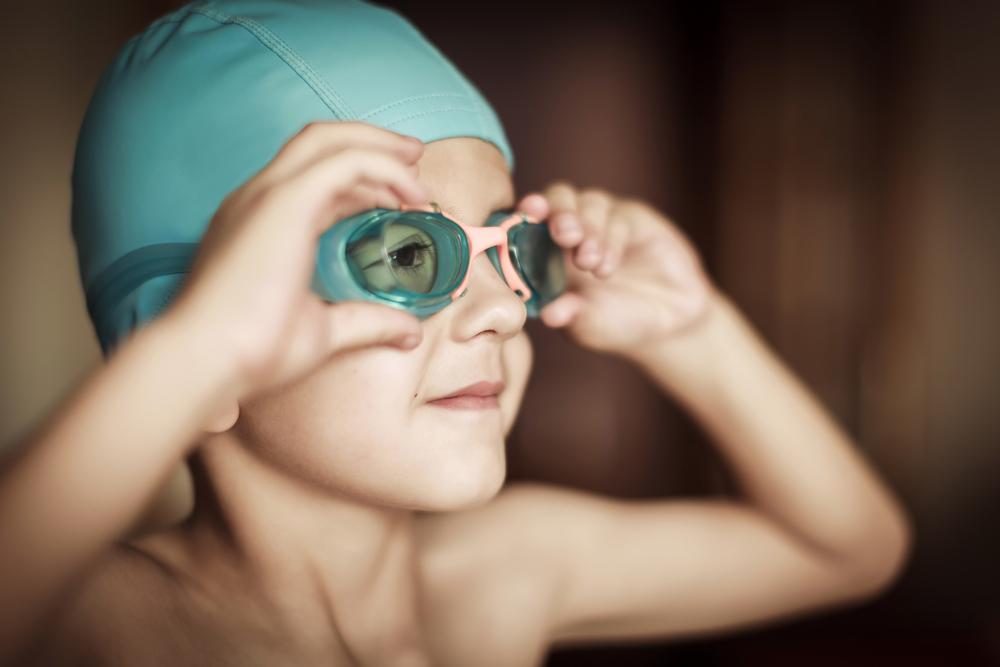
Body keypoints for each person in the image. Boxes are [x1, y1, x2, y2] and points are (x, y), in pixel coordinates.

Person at [0, 1, 912, 665]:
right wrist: (192, 357)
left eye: (515, 248)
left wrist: (693, 327)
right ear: (196, 335)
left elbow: (849, 547)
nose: (505, 310)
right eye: (404, 256)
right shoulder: (114, 627)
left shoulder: (496, 573)